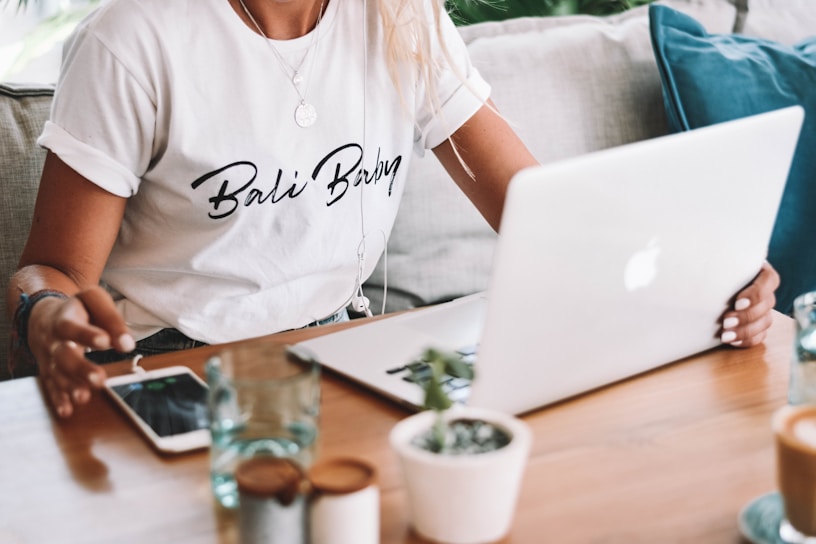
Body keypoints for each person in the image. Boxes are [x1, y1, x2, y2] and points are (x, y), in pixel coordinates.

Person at [6, 0, 779, 419]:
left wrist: (703, 268)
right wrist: (47, 314)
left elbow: (539, 212)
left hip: (342, 366)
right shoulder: (133, 38)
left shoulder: (401, 17)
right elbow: (56, 269)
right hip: (179, 374)